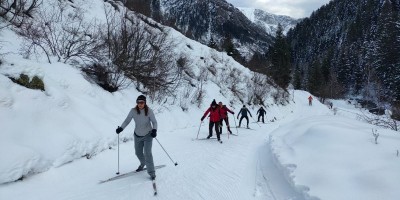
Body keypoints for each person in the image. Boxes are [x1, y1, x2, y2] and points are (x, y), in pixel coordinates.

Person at [116, 95, 158, 180]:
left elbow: (154, 122)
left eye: (142, 102)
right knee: (138, 153)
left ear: (145, 103)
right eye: (138, 102)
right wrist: (121, 128)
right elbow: (127, 120)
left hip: (148, 135)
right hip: (137, 135)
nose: (140, 104)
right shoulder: (133, 111)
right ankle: (143, 163)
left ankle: (152, 173)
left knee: (147, 153)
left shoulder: (149, 111)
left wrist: (154, 130)